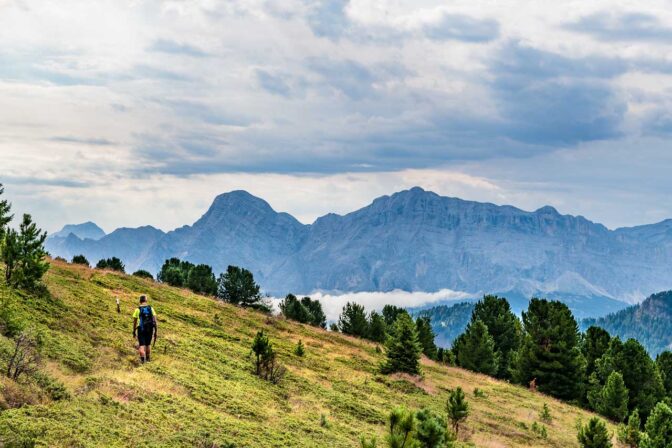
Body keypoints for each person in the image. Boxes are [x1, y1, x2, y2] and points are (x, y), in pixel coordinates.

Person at [132, 295, 157, 364]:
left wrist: (134, 331)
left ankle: (143, 362)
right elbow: (155, 320)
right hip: (150, 329)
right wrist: (155, 331)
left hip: (141, 329)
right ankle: (148, 360)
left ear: (140, 301)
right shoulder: (151, 308)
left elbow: (135, 322)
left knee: (142, 345)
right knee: (148, 344)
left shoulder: (137, 309)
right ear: (146, 301)